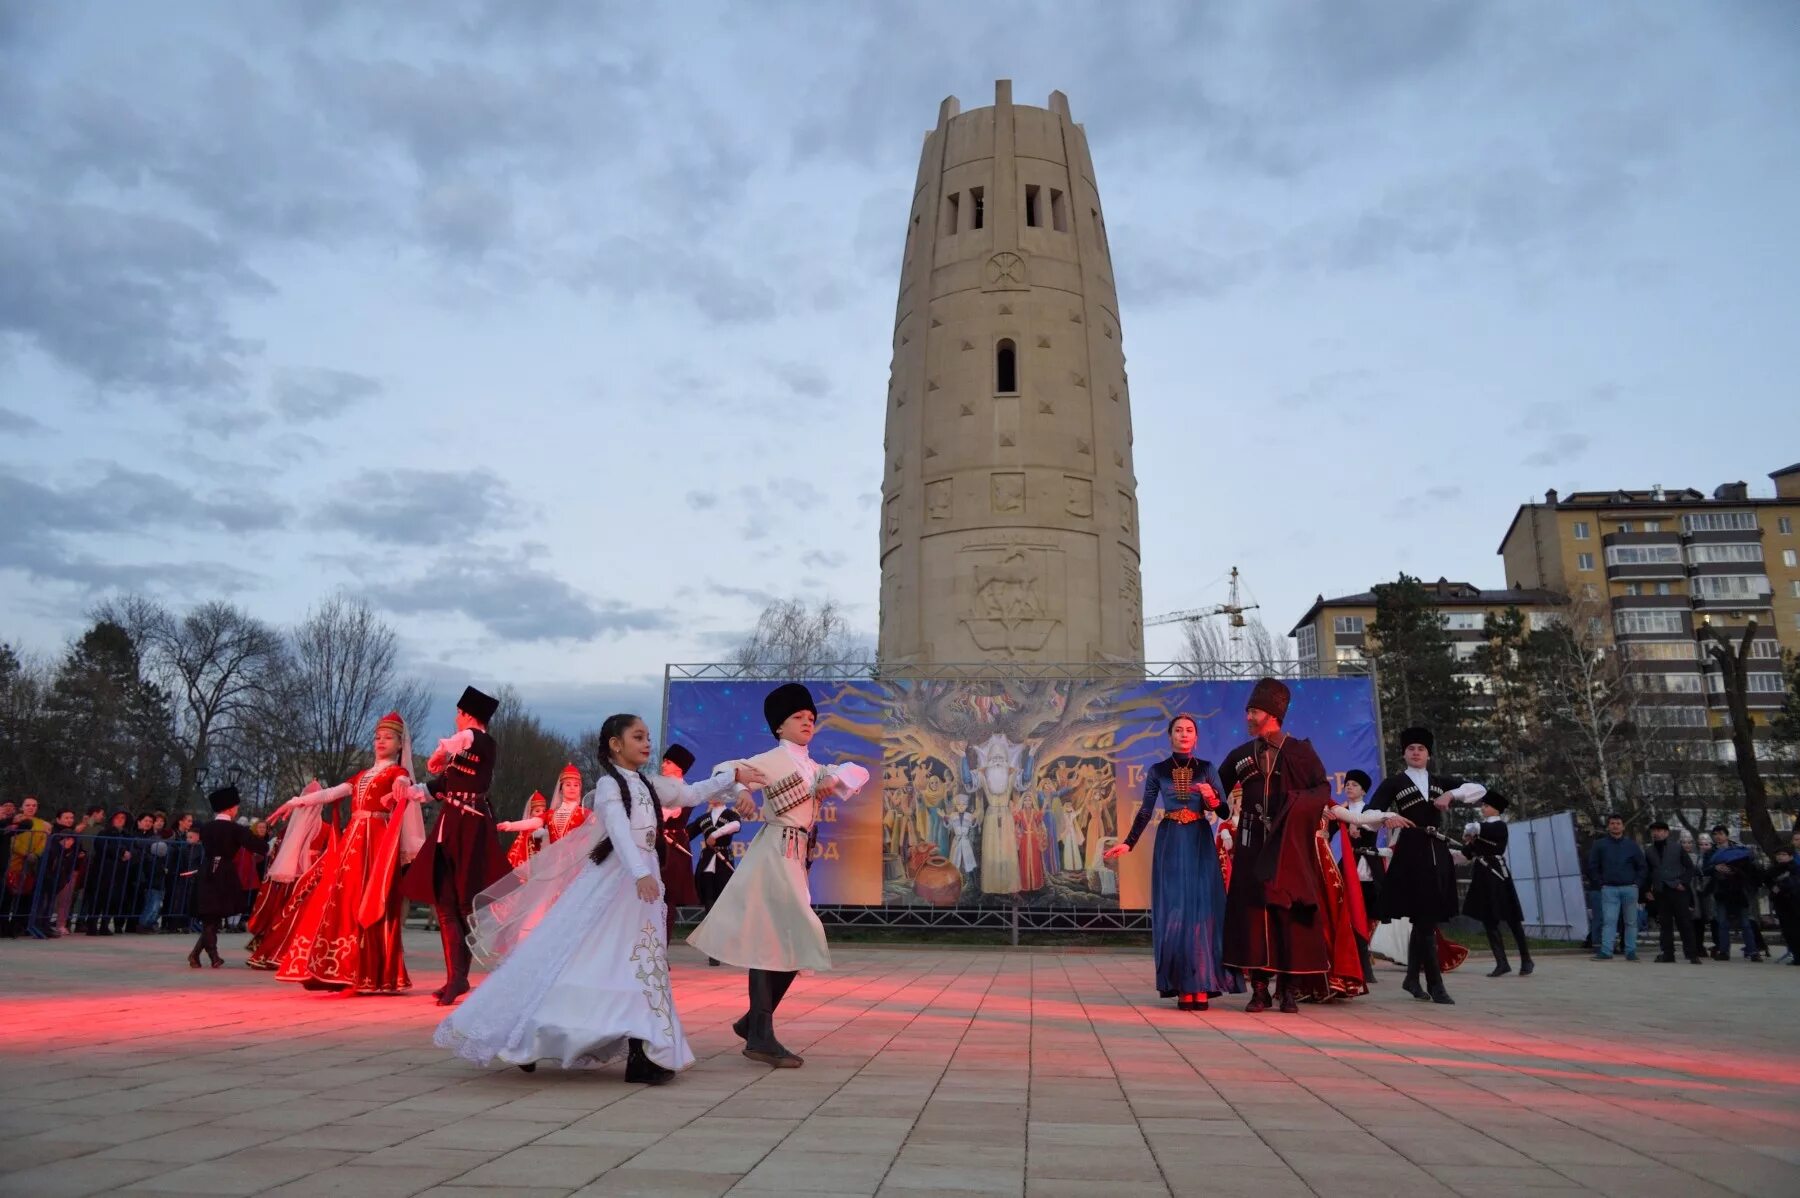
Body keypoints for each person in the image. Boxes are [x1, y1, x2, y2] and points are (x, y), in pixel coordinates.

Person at [435, 712, 762, 1080]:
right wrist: (639, 872)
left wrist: (733, 777)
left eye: (647, 737)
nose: (646, 743)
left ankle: (644, 1052)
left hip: (643, 881)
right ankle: (532, 1035)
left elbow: (690, 792)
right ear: (615, 744)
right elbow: (620, 831)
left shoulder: (648, 783)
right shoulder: (609, 786)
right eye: (638, 737)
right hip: (615, 881)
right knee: (590, 957)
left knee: (639, 962)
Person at [689, 683, 872, 1067]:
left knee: (788, 940)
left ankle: (754, 1023)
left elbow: (859, 774)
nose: (807, 722)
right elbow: (726, 769)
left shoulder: (812, 766)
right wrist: (741, 787)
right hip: (775, 852)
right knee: (782, 937)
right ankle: (758, 1033)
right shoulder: (774, 759)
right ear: (778, 726)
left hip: (794, 856)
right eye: (797, 717)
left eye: (811, 718)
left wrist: (834, 776)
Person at [1220, 679, 1405, 1013]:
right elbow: (1218, 792)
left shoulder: (1300, 752)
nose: (1248, 716)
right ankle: (1259, 989)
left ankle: (1289, 988)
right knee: (1253, 917)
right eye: (1248, 710)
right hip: (1251, 848)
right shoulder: (1241, 756)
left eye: (1254, 711)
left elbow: (1320, 790)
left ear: (1273, 715)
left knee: (1289, 916)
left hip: (1289, 848)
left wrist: (1292, 808)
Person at [271, 712, 426, 994]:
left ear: (400, 744)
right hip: (353, 840)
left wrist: (400, 789)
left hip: (376, 841)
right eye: (378, 737)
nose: (381, 742)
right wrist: (295, 802)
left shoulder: (398, 773)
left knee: (367, 898)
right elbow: (330, 793)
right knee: (341, 900)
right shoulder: (361, 775)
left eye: (388, 738)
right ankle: (338, 968)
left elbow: (404, 788)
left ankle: (364, 973)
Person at [1103, 714, 1239, 1011]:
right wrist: (1128, 842)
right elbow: (1145, 811)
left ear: (1196, 737)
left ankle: (1202, 984)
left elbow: (1227, 813)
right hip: (1170, 841)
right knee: (1175, 911)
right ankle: (1181, 986)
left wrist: (1212, 799)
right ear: (1170, 736)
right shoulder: (1158, 770)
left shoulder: (1207, 768)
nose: (1184, 734)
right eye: (1179, 730)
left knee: (1201, 910)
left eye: (1189, 730)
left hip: (1200, 840)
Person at [400, 685, 509, 1006]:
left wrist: (441, 751)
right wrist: (405, 789)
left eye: (458, 714)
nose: (455, 719)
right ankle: (455, 978)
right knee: (446, 901)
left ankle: (466, 975)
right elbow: (438, 786)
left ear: (466, 715)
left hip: (469, 828)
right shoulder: (463, 754)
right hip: (450, 827)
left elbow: (466, 740)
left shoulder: (481, 742)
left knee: (463, 904)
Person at [1365, 726, 1487, 1004]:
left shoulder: (1440, 781)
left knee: (1425, 919)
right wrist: (1387, 817)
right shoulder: (1394, 783)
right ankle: (1436, 984)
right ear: (1404, 754)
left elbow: (1480, 789)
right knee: (1423, 918)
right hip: (1411, 852)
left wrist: (1451, 795)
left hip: (1437, 852)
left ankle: (1412, 978)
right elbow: (1369, 813)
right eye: (1411, 749)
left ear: (1428, 754)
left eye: (1421, 748)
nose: (1416, 752)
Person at [246, 780, 340, 969]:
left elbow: (277, 853)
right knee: (302, 915)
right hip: (312, 878)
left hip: (288, 878)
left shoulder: (288, 830)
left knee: (283, 913)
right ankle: (292, 951)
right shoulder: (326, 829)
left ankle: (270, 950)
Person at [188, 787, 270, 969]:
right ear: (230, 808)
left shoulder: (207, 828)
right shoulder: (235, 829)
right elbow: (258, 846)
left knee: (212, 917)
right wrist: (270, 844)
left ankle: (201, 955)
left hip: (207, 870)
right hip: (224, 871)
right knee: (213, 917)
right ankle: (209, 955)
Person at [1462, 791, 1533, 977]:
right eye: (1483, 806)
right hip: (1482, 875)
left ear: (1496, 809)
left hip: (1497, 874)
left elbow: (1486, 832)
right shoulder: (1481, 829)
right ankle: (1501, 962)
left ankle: (1526, 959)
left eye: (1486, 806)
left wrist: (1474, 830)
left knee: (1512, 919)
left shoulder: (1499, 826)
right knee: (1488, 919)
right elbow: (1468, 852)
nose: (1482, 808)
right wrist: (1468, 843)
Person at [1335, 770, 1383, 983]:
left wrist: (1356, 823)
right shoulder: (1340, 810)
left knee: (1370, 914)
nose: (1349, 787)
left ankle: (1365, 961)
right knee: (1350, 914)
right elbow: (1326, 831)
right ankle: (1360, 965)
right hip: (1349, 866)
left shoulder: (1371, 810)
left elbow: (1373, 824)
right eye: (1347, 784)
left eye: (1354, 784)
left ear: (1363, 790)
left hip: (1368, 866)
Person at [1585, 814, 1648, 962]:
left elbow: (1642, 867)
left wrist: (1637, 883)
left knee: (1631, 922)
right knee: (1609, 921)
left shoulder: (1631, 845)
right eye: (1612, 823)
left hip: (1629, 889)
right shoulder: (1599, 845)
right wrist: (1601, 883)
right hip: (1609, 889)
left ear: (1623, 826)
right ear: (1608, 826)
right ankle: (1606, 951)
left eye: (1618, 823)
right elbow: (1592, 866)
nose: (1615, 826)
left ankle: (1630, 952)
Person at [688, 790, 741, 966]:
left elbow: (735, 826)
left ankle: (721, 945)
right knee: (709, 905)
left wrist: (714, 835)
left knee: (721, 906)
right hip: (706, 864)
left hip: (723, 862)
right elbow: (686, 834)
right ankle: (712, 949)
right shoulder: (704, 818)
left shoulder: (730, 814)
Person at [656, 746, 703, 941]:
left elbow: (662, 817)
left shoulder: (684, 791)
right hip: (656, 845)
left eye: (668, 762)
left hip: (673, 849)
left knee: (668, 899)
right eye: (664, 761)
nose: (662, 765)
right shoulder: (658, 788)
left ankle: (661, 951)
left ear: (679, 768)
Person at [1643, 821, 1703, 964]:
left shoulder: (1677, 848)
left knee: (1684, 923)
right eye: (1654, 831)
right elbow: (1647, 871)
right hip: (1660, 891)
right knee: (1665, 924)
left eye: (1660, 830)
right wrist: (1646, 889)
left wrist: (1682, 883)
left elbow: (1690, 868)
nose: (1656, 833)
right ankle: (1668, 953)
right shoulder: (1649, 850)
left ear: (1667, 833)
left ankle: (1692, 954)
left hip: (1678, 890)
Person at [1703, 827, 1762, 962]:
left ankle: (1753, 951)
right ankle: (1723, 951)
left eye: (1721, 834)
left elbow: (1751, 867)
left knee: (1745, 922)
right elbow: (1704, 870)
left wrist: (1735, 869)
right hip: (1720, 890)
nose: (1718, 837)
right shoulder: (1710, 852)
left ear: (1727, 835)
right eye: (1715, 835)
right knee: (1722, 922)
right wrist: (1715, 868)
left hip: (1740, 889)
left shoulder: (1739, 849)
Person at [2, 797, 49, 938]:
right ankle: (4, 926)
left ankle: (19, 925)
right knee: (8, 897)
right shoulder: (16, 821)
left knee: (24, 897)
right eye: (28, 805)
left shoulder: (41, 824)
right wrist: (25, 853)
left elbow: (43, 840)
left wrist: (35, 854)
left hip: (30, 866)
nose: (31, 808)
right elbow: (12, 840)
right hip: (13, 863)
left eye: (34, 805)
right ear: (22, 807)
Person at [1764, 831, 1800, 966]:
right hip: (1781, 904)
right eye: (1778, 854)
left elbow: (1795, 882)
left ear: (1790, 856)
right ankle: (1796, 956)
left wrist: (1781, 886)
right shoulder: (1774, 869)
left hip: (1794, 902)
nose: (1780, 857)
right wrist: (1773, 887)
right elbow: (1767, 879)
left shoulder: (1795, 868)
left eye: (1784, 854)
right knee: (1788, 931)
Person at [501, 793, 550, 869]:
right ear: (530, 813)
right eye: (537, 811)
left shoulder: (545, 832)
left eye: (543, 811)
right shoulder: (524, 834)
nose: (541, 814)